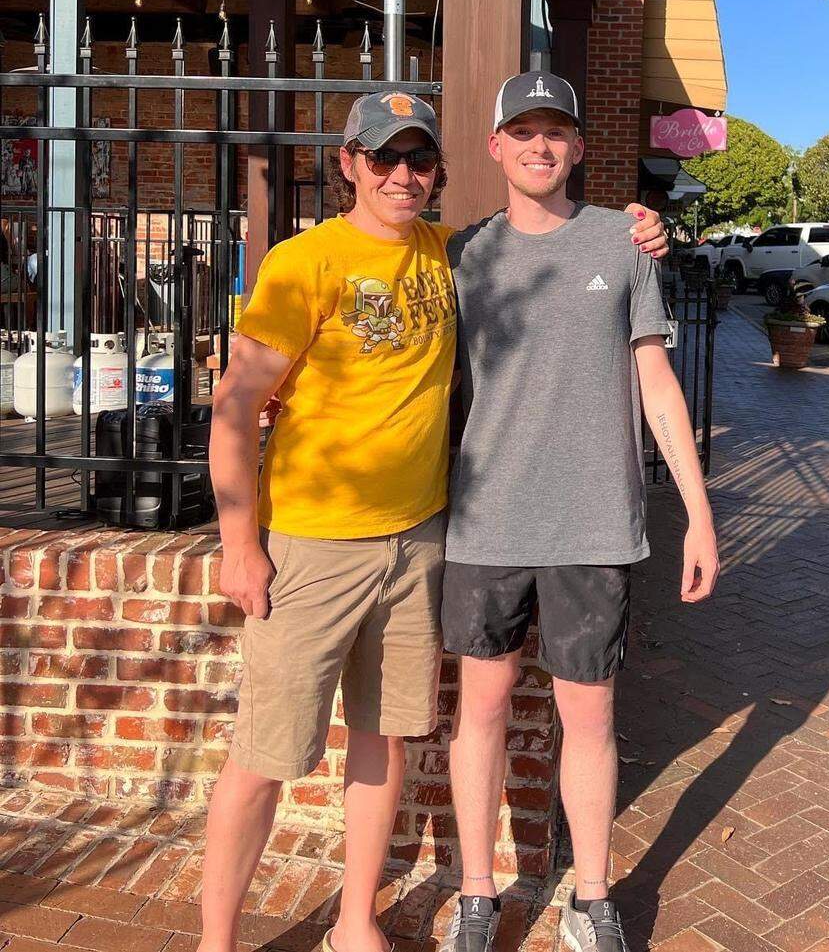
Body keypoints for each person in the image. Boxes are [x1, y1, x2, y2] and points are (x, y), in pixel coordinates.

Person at [196, 86, 666, 952]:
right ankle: (215, 944)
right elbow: (234, 403)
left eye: (418, 159)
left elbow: (543, 249)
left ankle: (352, 922)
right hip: (313, 543)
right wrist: (238, 544)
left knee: (386, 743)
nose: (402, 175)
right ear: (349, 164)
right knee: (265, 752)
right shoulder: (305, 261)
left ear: (439, 170)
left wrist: (643, 228)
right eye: (383, 157)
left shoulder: (451, 254)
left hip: (419, 541)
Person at [440, 72, 720, 952]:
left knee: (590, 716)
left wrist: (702, 513)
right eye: (521, 131)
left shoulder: (624, 242)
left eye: (555, 130)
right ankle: (478, 893)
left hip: (595, 522)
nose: (539, 145)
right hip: (485, 520)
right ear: (495, 147)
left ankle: (590, 895)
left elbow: (658, 386)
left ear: (579, 146)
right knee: (479, 710)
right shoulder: (461, 255)